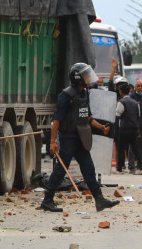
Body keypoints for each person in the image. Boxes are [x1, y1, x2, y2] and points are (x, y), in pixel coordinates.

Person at [40, 64, 119, 213]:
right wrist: (52, 141)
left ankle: (99, 200)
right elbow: (56, 120)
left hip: (81, 137)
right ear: (78, 78)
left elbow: (87, 117)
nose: (89, 78)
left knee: (89, 168)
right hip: (68, 138)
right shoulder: (66, 95)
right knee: (60, 170)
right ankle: (47, 200)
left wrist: (101, 127)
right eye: (86, 75)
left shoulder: (85, 93)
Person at [115, 79, 142, 175]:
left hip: (124, 128)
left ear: (121, 92)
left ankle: (119, 169)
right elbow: (138, 116)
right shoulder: (135, 102)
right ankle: (141, 168)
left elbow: (118, 114)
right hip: (134, 128)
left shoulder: (122, 102)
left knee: (121, 149)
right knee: (136, 149)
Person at [127, 79, 142, 173]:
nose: (140, 88)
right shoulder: (131, 97)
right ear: (135, 87)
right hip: (134, 125)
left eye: (141, 86)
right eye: (138, 86)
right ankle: (131, 166)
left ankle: (141, 165)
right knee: (132, 146)